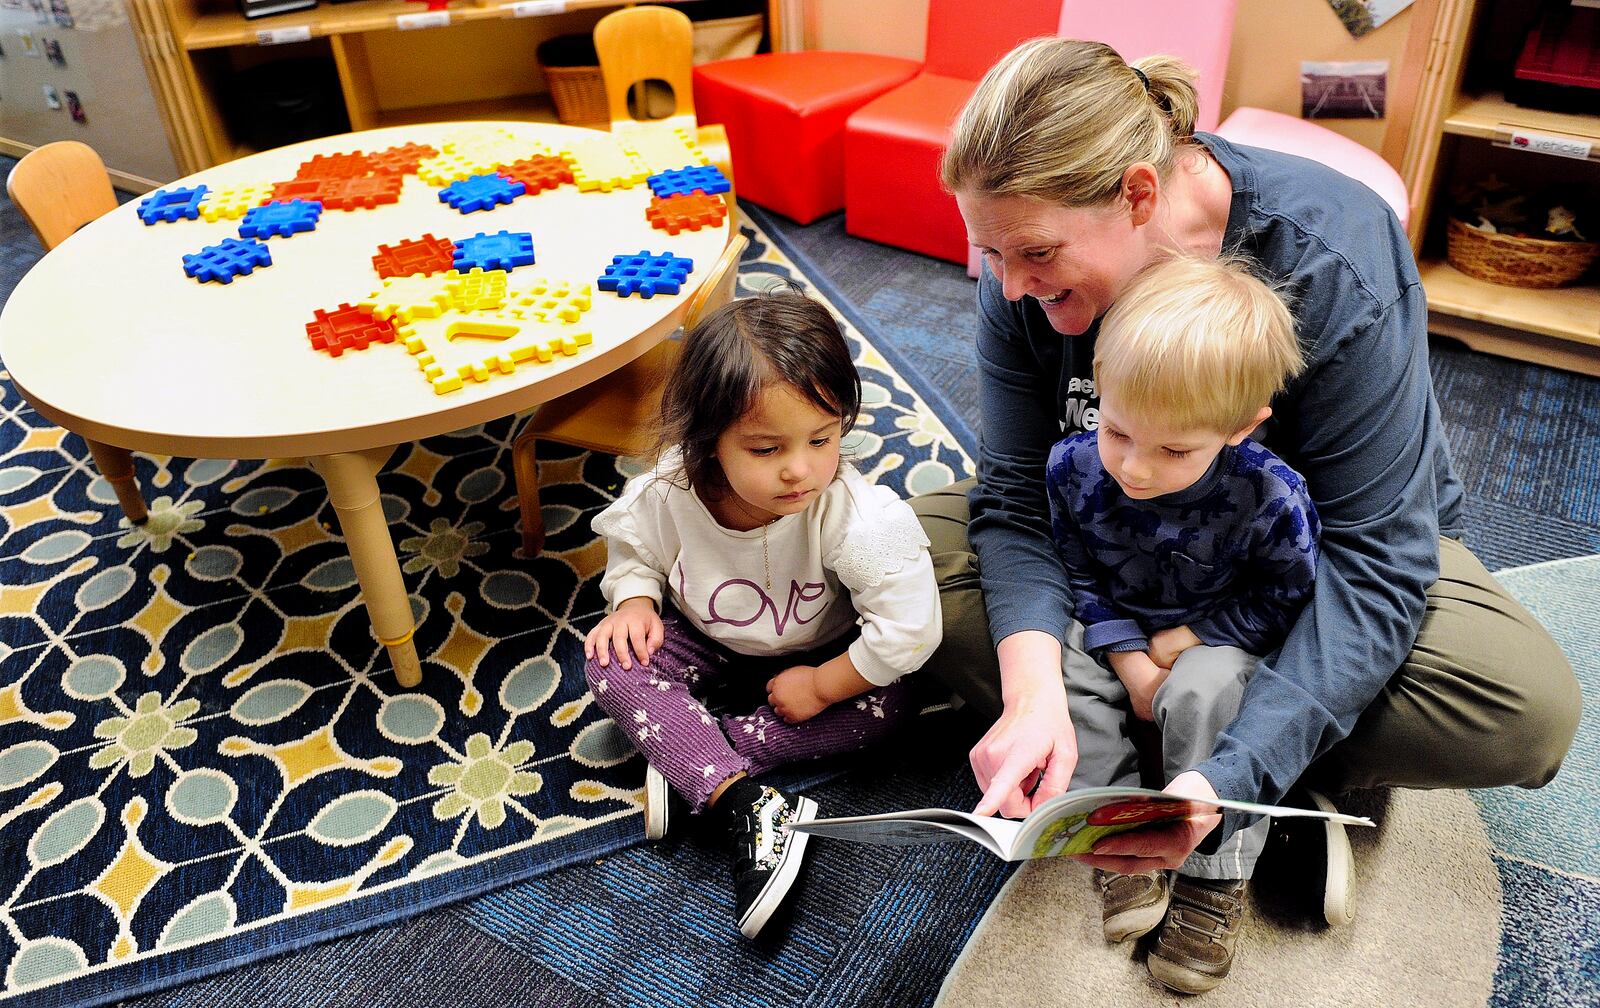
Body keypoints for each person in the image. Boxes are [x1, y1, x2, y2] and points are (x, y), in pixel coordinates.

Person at [912, 36, 1580, 990]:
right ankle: (1204, 745)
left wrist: (1235, 777)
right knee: (894, 556)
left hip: (1296, 572)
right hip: (1115, 551)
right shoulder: (1018, 273)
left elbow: (1374, 557)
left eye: (1034, 254)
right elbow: (1016, 497)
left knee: (1522, 711)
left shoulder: (1331, 254)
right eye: (989, 252)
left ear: (1138, 195)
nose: (1010, 286)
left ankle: (1228, 769)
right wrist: (1030, 687)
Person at [583, 289, 942, 941]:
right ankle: (739, 799)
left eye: (821, 438)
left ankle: (693, 754)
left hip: (822, 655)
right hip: (711, 639)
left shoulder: (860, 518)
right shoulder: (671, 487)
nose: (800, 469)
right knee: (610, 658)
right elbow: (632, 540)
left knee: (896, 706)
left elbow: (911, 630)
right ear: (707, 439)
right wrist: (633, 596)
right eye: (765, 449)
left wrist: (823, 684)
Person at [1046, 255, 1318, 992]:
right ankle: (1119, 833)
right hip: (1117, 628)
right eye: (1119, 431)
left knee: (1210, 694)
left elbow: (1288, 598)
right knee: (1060, 669)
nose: (1134, 467)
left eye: (1173, 450)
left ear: (1240, 428)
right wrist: (1128, 656)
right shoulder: (1071, 466)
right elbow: (1075, 572)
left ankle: (1213, 877)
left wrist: (1188, 641)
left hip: (1214, 638)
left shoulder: (1270, 497)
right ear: (1098, 393)